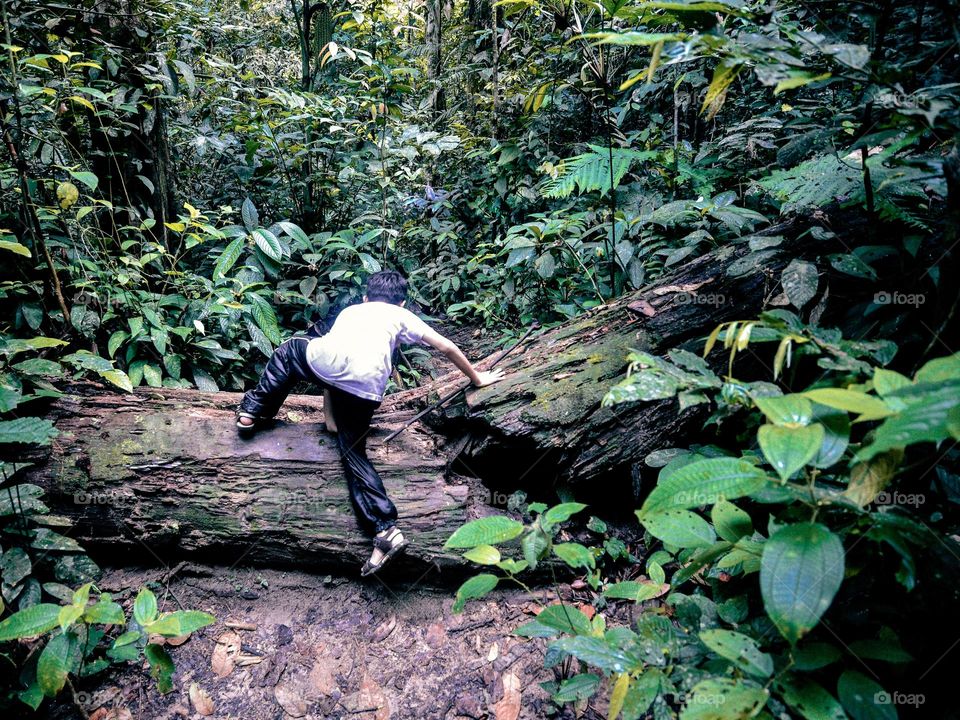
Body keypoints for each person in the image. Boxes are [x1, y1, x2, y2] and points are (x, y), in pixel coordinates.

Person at [235, 270, 505, 576]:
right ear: (402, 302)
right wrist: (477, 378)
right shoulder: (402, 316)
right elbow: (446, 347)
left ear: (366, 297)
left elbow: (333, 372)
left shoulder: (351, 311)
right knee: (353, 453)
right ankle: (385, 530)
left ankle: (252, 411)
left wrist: (329, 413)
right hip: (367, 388)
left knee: (288, 352)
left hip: (330, 368)